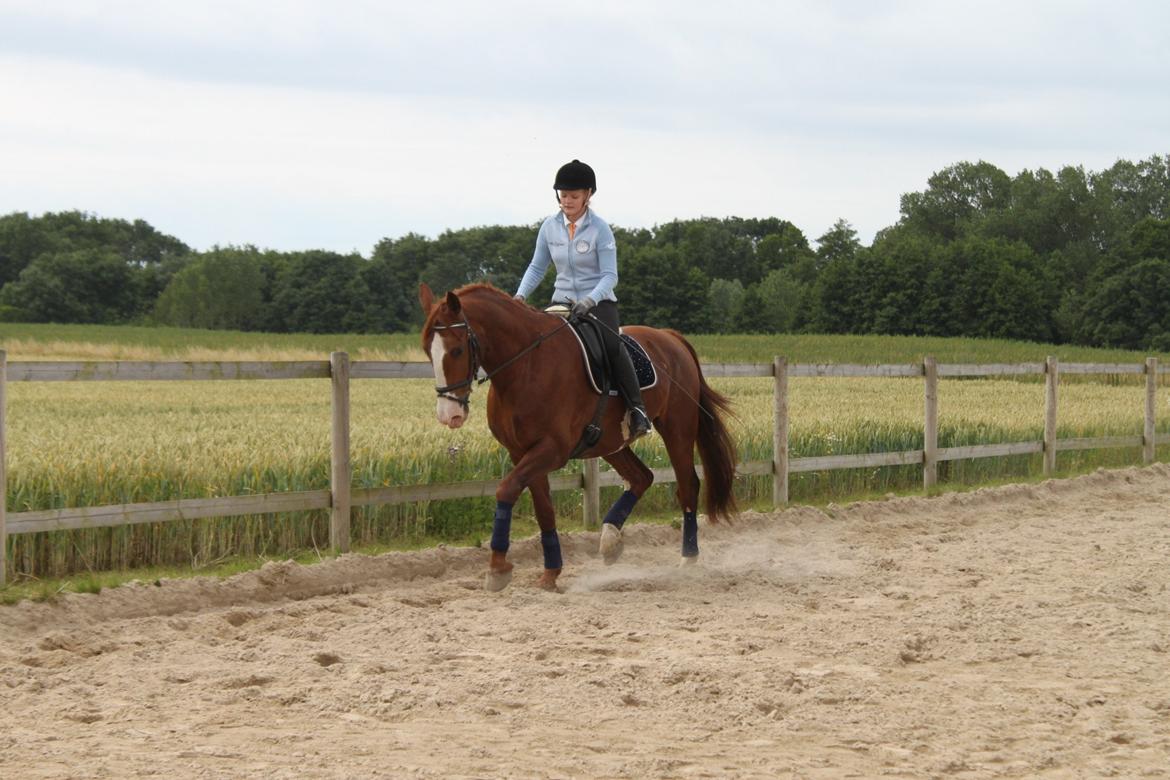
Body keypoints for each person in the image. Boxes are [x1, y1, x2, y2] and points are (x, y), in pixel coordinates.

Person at [514, 159, 652, 440]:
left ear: (588, 195)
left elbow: (610, 276)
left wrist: (590, 300)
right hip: (560, 303)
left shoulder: (600, 229)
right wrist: (519, 296)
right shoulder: (548, 228)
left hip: (598, 303)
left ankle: (638, 411)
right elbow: (537, 267)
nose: (567, 201)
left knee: (613, 347)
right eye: (563, 195)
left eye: (574, 196)